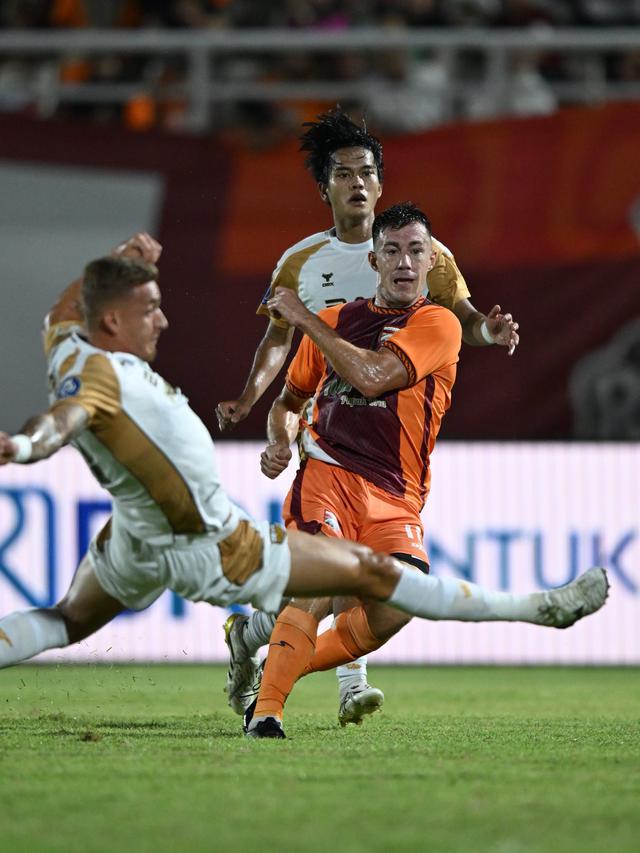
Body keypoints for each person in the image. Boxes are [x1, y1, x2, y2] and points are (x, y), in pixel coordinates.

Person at [0, 231, 607, 709]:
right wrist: (26, 446)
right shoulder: (104, 382)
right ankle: (539, 608)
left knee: (65, 620)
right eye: (150, 310)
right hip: (217, 548)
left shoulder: (66, 343)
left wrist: (118, 261)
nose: (162, 320)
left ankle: (265, 648)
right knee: (374, 573)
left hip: (133, 538)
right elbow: (64, 419)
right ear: (112, 323)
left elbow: (66, 308)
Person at [237, 202, 606, 738]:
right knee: (320, 584)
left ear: (433, 259)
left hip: (396, 495)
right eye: (392, 251)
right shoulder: (337, 321)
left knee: (393, 609)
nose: (405, 262)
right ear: (374, 260)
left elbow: (372, 377)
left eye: (416, 251)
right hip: (327, 475)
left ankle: (264, 656)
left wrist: (305, 320)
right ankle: (267, 714)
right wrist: (279, 440)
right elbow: (289, 402)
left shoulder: (437, 323)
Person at [216, 108, 520, 725]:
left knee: (362, 588)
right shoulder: (301, 262)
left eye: (367, 173)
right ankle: (333, 688)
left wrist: (488, 331)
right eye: (344, 174)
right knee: (328, 577)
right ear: (324, 188)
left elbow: (459, 319)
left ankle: (255, 639)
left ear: (381, 183)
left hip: (391, 451)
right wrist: (254, 404)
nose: (357, 183)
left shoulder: (427, 254)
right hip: (327, 441)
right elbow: (281, 343)